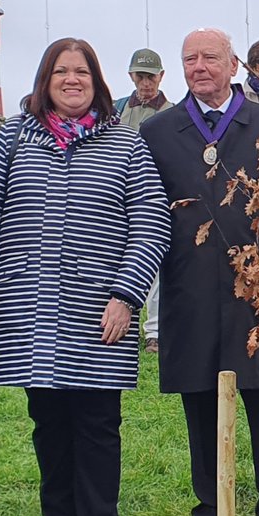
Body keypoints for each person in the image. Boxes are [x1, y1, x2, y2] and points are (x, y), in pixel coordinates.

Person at [0, 38, 169, 516]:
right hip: (28, 304)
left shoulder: (125, 144)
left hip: (98, 309)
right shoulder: (13, 138)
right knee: (49, 421)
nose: (72, 80)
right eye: (62, 72)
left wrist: (127, 294)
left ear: (97, 81)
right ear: (45, 79)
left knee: (98, 423)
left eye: (82, 72)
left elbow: (151, 222)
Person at [141, 28, 259, 516]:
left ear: (233, 65)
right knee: (201, 400)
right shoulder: (159, 131)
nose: (199, 66)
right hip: (191, 287)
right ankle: (209, 511)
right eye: (189, 59)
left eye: (210, 57)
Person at [117, 48, 171, 354]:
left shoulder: (174, 112)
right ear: (131, 77)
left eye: (151, 76)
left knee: (156, 268)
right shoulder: (117, 112)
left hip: (157, 196)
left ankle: (154, 330)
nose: (146, 82)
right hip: (120, 197)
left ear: (161, 77)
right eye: (140, 76)